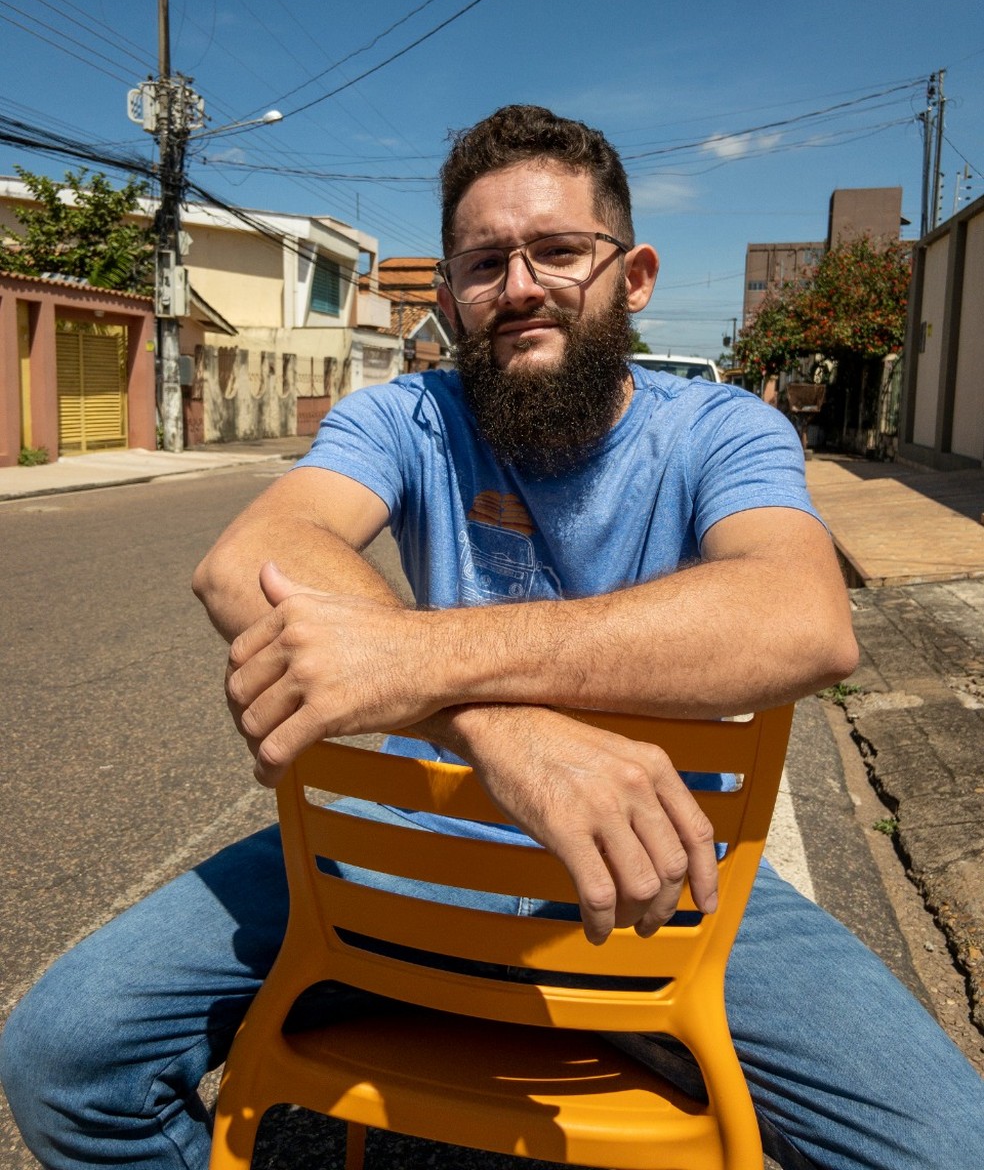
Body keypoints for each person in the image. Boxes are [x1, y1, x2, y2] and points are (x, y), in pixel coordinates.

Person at [1, 105, 981, 1169]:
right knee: (64, 1053)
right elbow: (250, 557)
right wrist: (512, 735)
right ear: (452, 297)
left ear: (633, 274)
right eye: (482, 263)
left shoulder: (719, 426)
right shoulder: (407, 415)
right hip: (407, 846)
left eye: (558, 250)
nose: (518, 287)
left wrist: (418, 662)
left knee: (943, 1144)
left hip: (663, 869)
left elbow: (803, 615)